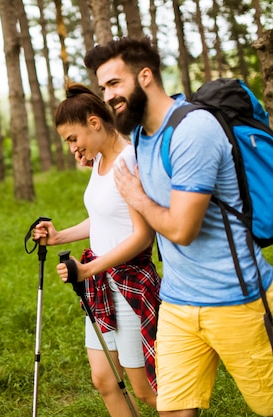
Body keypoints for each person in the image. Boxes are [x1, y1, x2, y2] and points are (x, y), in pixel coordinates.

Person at [84, 36, 273, 417]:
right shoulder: (141, 136)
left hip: (236, 302)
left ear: (146, 76)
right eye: (103, 87)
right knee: (172, 411)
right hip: (178, 303)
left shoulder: (193, 130)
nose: (108, 96)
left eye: (115, 84)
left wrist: (135, 196)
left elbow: (182, 228)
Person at [33, 82, 160, 416]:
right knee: (104, 380)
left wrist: (89, 268)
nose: (72, 148)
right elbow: (102, 217)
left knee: (146, 390)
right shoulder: (102, 160)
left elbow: (142, 235)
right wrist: (59, 237)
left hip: (130, 283)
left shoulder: (128, 160)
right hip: (101, 284)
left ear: (94, 123)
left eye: (73, 139)